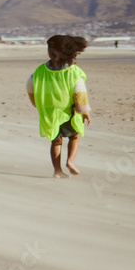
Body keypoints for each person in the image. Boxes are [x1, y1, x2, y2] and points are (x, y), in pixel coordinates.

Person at [26, 35, 91, 179]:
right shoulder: (73, 71)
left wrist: (36, 103)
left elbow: (29, 86)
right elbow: (80, 92)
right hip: (69, 110)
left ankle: (57, 171)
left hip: (49, 110)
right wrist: (84, 111)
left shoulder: (41, 70)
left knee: (56, 140)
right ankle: (70, 161)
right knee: (74, 136)